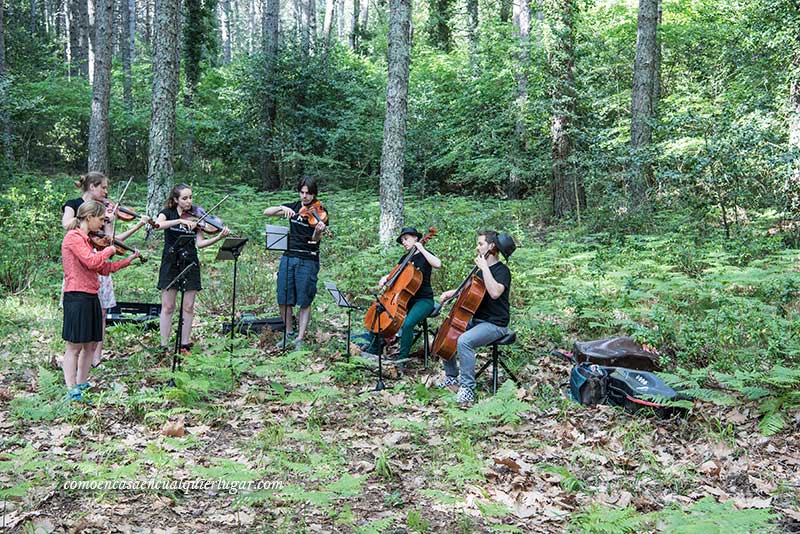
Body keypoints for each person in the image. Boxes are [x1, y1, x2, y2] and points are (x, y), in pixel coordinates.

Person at [61, 172, 150, 367]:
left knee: (100, 314)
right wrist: (95, 218)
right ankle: (75, 362)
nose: (106, 191)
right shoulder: (73, 206)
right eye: (103, 187)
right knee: (78, 326)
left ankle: (95, 357)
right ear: (92, 186)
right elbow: (67, 225)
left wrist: (136, 226)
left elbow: (111, 241)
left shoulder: (105, 214)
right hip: (80, 269)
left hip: (99, 265)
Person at [61, 201, 140, 402]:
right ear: (89, 218)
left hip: (90, 296)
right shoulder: (73, 238)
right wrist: (110, 250)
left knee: (90, 345)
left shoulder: (88, 240)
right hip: (76, 297)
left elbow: (102, 269)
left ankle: (82, 384)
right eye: (101, 219)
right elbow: (92, 261)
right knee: (74, 346)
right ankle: (72, 390)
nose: (103, 223)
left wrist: (126, 261)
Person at [437, 230, 513, 405]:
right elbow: (470, 291)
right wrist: (452, 293)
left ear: (491, 246)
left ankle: (467, 389)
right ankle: (451, 377)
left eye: (480, 244)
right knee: (447, 331)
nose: (477, 247)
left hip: (495, 324)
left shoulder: (502, 271)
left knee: (464, 341)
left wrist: (485, 268)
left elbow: (494, 293)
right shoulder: (480, 271)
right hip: (478, 320)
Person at [153, 184, 230, 354]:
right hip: (171, 261)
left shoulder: (196, 217)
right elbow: (157, 225)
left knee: (188, 306)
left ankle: (184, 344)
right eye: (184, 198)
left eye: (190, 197)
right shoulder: (167, 213)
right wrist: (180, 221)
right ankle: (164, 345)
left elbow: (200, 244)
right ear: (175, 200)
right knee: (168, 306)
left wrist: (218, 236)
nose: (189, 201)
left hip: (190, 261)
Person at [263, 176, 329, 350]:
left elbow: (315, 240)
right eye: (302, 192)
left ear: (314, 194)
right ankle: (289, 332)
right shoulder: (293, 206)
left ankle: (300, 338)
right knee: (283, 296)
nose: (305, 197)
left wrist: (318, 231)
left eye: (308, 193)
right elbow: (266, 212)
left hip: (308, 257)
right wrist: (281, 208)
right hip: (289, 255)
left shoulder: (320, 212)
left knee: (304, 298)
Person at [362, 227, 441, 363]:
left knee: (408, 324)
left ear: (416, 238)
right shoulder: (405, 258)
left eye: (406, 239)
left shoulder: (425, 254)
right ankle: (374, 350)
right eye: (402, 240)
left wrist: (421, 248)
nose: (404, 242)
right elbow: (395, 273)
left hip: (423, 300)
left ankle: (401, 360)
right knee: (379, 312)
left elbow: (438, 264)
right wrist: (386, 277)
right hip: (404, 299)